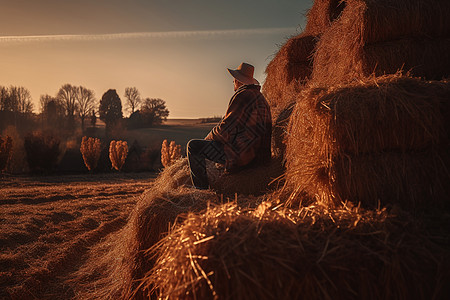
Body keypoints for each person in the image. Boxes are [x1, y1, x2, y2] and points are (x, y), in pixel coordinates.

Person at [187, 62, 272, 189]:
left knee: (194, 146)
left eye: (234, 79)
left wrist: (208, 139)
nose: (233, 82)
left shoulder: (243, 96)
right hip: (260, 157)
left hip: (244, 155)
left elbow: (226, 130)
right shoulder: (261, 98)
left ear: (238, 81)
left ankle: (201, 191)